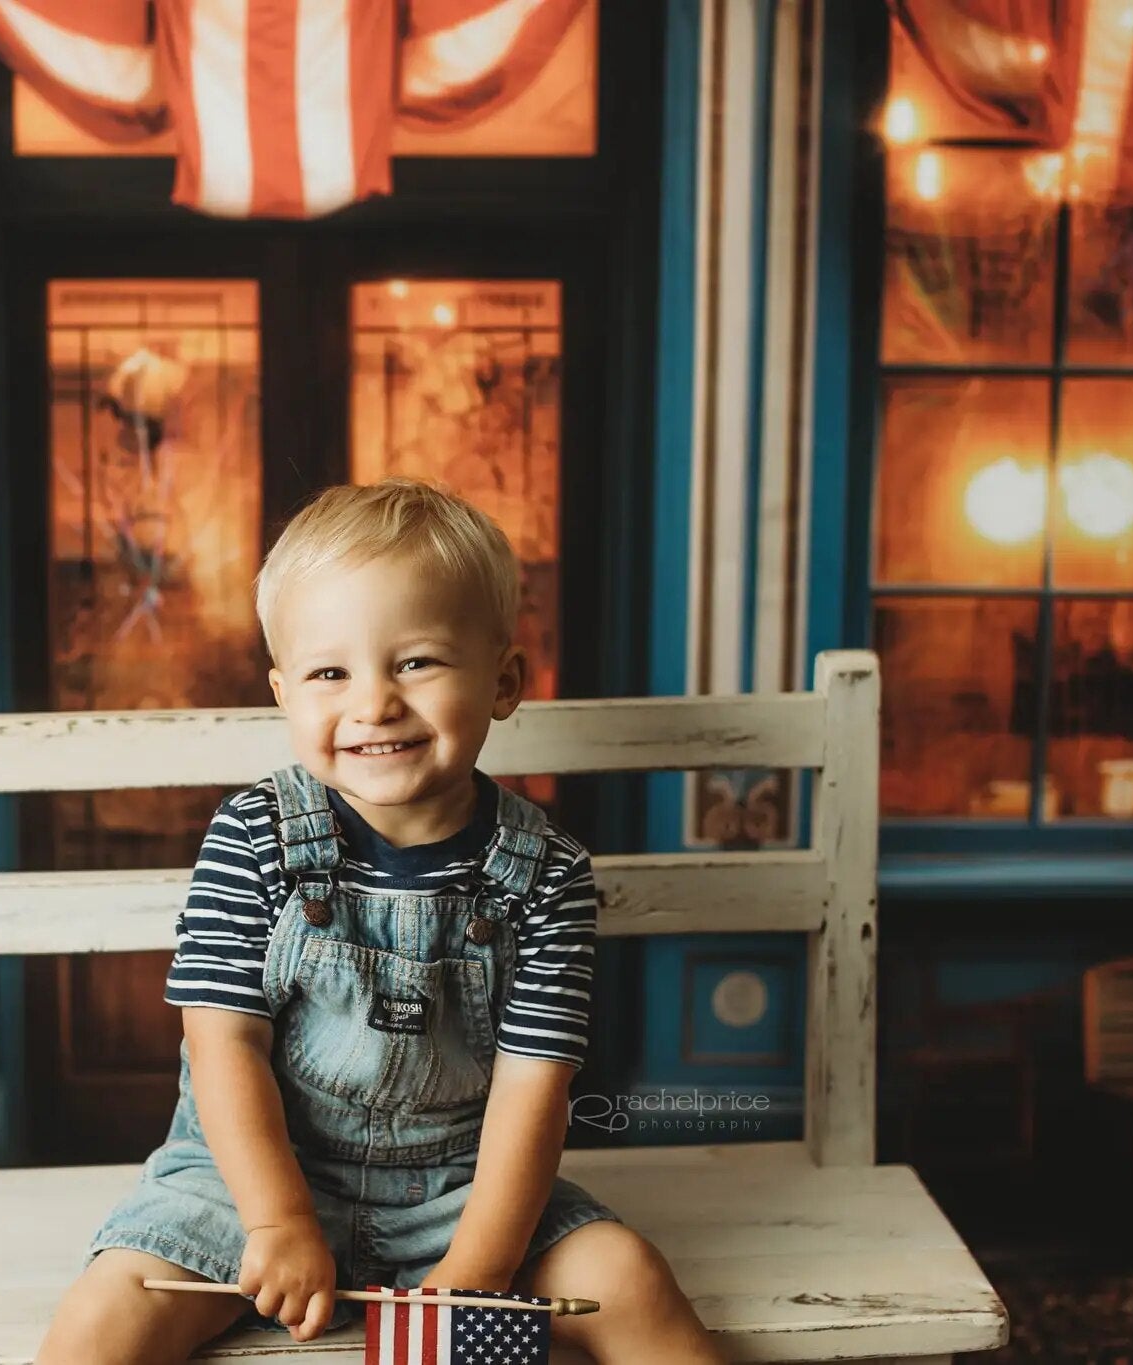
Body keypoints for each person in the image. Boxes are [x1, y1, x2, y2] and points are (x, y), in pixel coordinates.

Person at [36, 477, 726, 1364]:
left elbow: (533, 1087)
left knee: (629, 1280)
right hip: (246, 1176)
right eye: (331, 672)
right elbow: (222, 1046)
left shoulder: (548, 873)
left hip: (463, 1189)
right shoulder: (255, 837)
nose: (374, 703)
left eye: (417, 662)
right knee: (107, 1314)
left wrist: (476, 1268)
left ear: (505, 680)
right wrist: (278, 1220)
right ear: (286, 693)